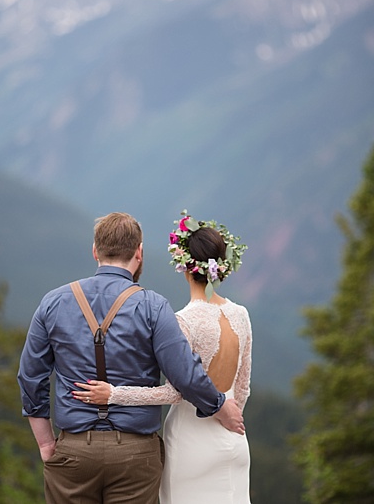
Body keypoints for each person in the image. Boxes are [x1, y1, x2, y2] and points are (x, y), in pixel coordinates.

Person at [18, 212, 245, 504]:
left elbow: (30, 377)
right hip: (136, 455)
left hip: (73, 450)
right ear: (139, 252)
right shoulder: (153, 306)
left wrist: (47, 443)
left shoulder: (54, 302)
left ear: (95, 251)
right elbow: (184, 375)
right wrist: (218, 405)